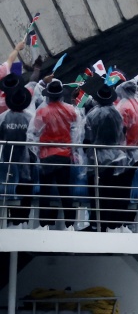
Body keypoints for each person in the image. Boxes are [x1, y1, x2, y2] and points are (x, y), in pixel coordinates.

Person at [28, 79, 81, 229]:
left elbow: (32, 134)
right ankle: (70, 224)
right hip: (64, 155)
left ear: (49, 96)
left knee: (45, 190)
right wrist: (73, 151)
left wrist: (37, 151)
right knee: (65, 190)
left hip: (46, 155)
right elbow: (77, 134)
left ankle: (43, 224)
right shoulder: (71, 111)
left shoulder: (42, 112)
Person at [82, 84, 129, 231]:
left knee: (96, 192)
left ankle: (96, 223)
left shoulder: (91, 115)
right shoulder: (117, 114)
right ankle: (110, 224)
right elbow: (122, 135)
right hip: (115, 156)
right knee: (111, 192)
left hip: (96, 156)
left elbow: (86, 138)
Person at [0, 80, 34, 229]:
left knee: (7, 194)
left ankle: (7, 224)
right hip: (25, 164)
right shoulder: (31, 118)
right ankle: (21, 224)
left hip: (5, 164)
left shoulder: (2, 118)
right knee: (25, 197)